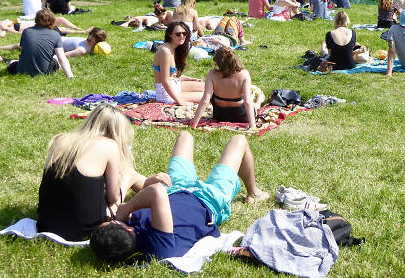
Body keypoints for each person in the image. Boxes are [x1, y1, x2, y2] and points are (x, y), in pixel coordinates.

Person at [89, 131, 269, 262]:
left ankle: (252, 190)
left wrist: (150, 181)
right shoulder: (160, 247)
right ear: (126, 229)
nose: (114, 219)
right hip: (210, 200)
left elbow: (155, 190)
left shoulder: (127, 234)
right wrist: (125, 209)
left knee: (185, 136)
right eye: (113, 222)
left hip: (175, 188)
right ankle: (253, 193)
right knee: (239, 141)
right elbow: (156, 193)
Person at [37, 105, 168, 241]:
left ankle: (150, 187)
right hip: (85, 229)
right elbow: (113, 196)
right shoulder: (110, 146)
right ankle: (155, 190)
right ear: (117, 132)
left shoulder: (60, 139)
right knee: (129, 174)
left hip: (46, 224)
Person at [190, 47, 263, 127]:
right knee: (253, 100)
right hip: (241, 116)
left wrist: (194, 123)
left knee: (249, 96)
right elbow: (247, 102)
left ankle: (255, 98)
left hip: (220, 116)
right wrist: (253, 126)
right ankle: (259, 101)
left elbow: (205, 100)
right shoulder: (244, 74)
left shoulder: (212, 74)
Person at [6, 9, 74, 78]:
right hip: (44, 72)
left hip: (21, 70)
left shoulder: (26, 31)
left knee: (12, 62)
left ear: (36, 19)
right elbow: (61, 57)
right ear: (53, 21)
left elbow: (24, 50)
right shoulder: (55, 34)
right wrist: (70, 76)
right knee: (55, 58)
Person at [153, 22, 204, 105]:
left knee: (206, 87)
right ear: (170, 34)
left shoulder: (174, 48)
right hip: (165, 94)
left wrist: (190, 79)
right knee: (207, 96)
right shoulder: (165, 51)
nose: (182, 36)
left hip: (174, 85)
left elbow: (172, 76)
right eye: (178, 34)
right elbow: (165, 81)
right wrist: (179, 101)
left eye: (184, 33)